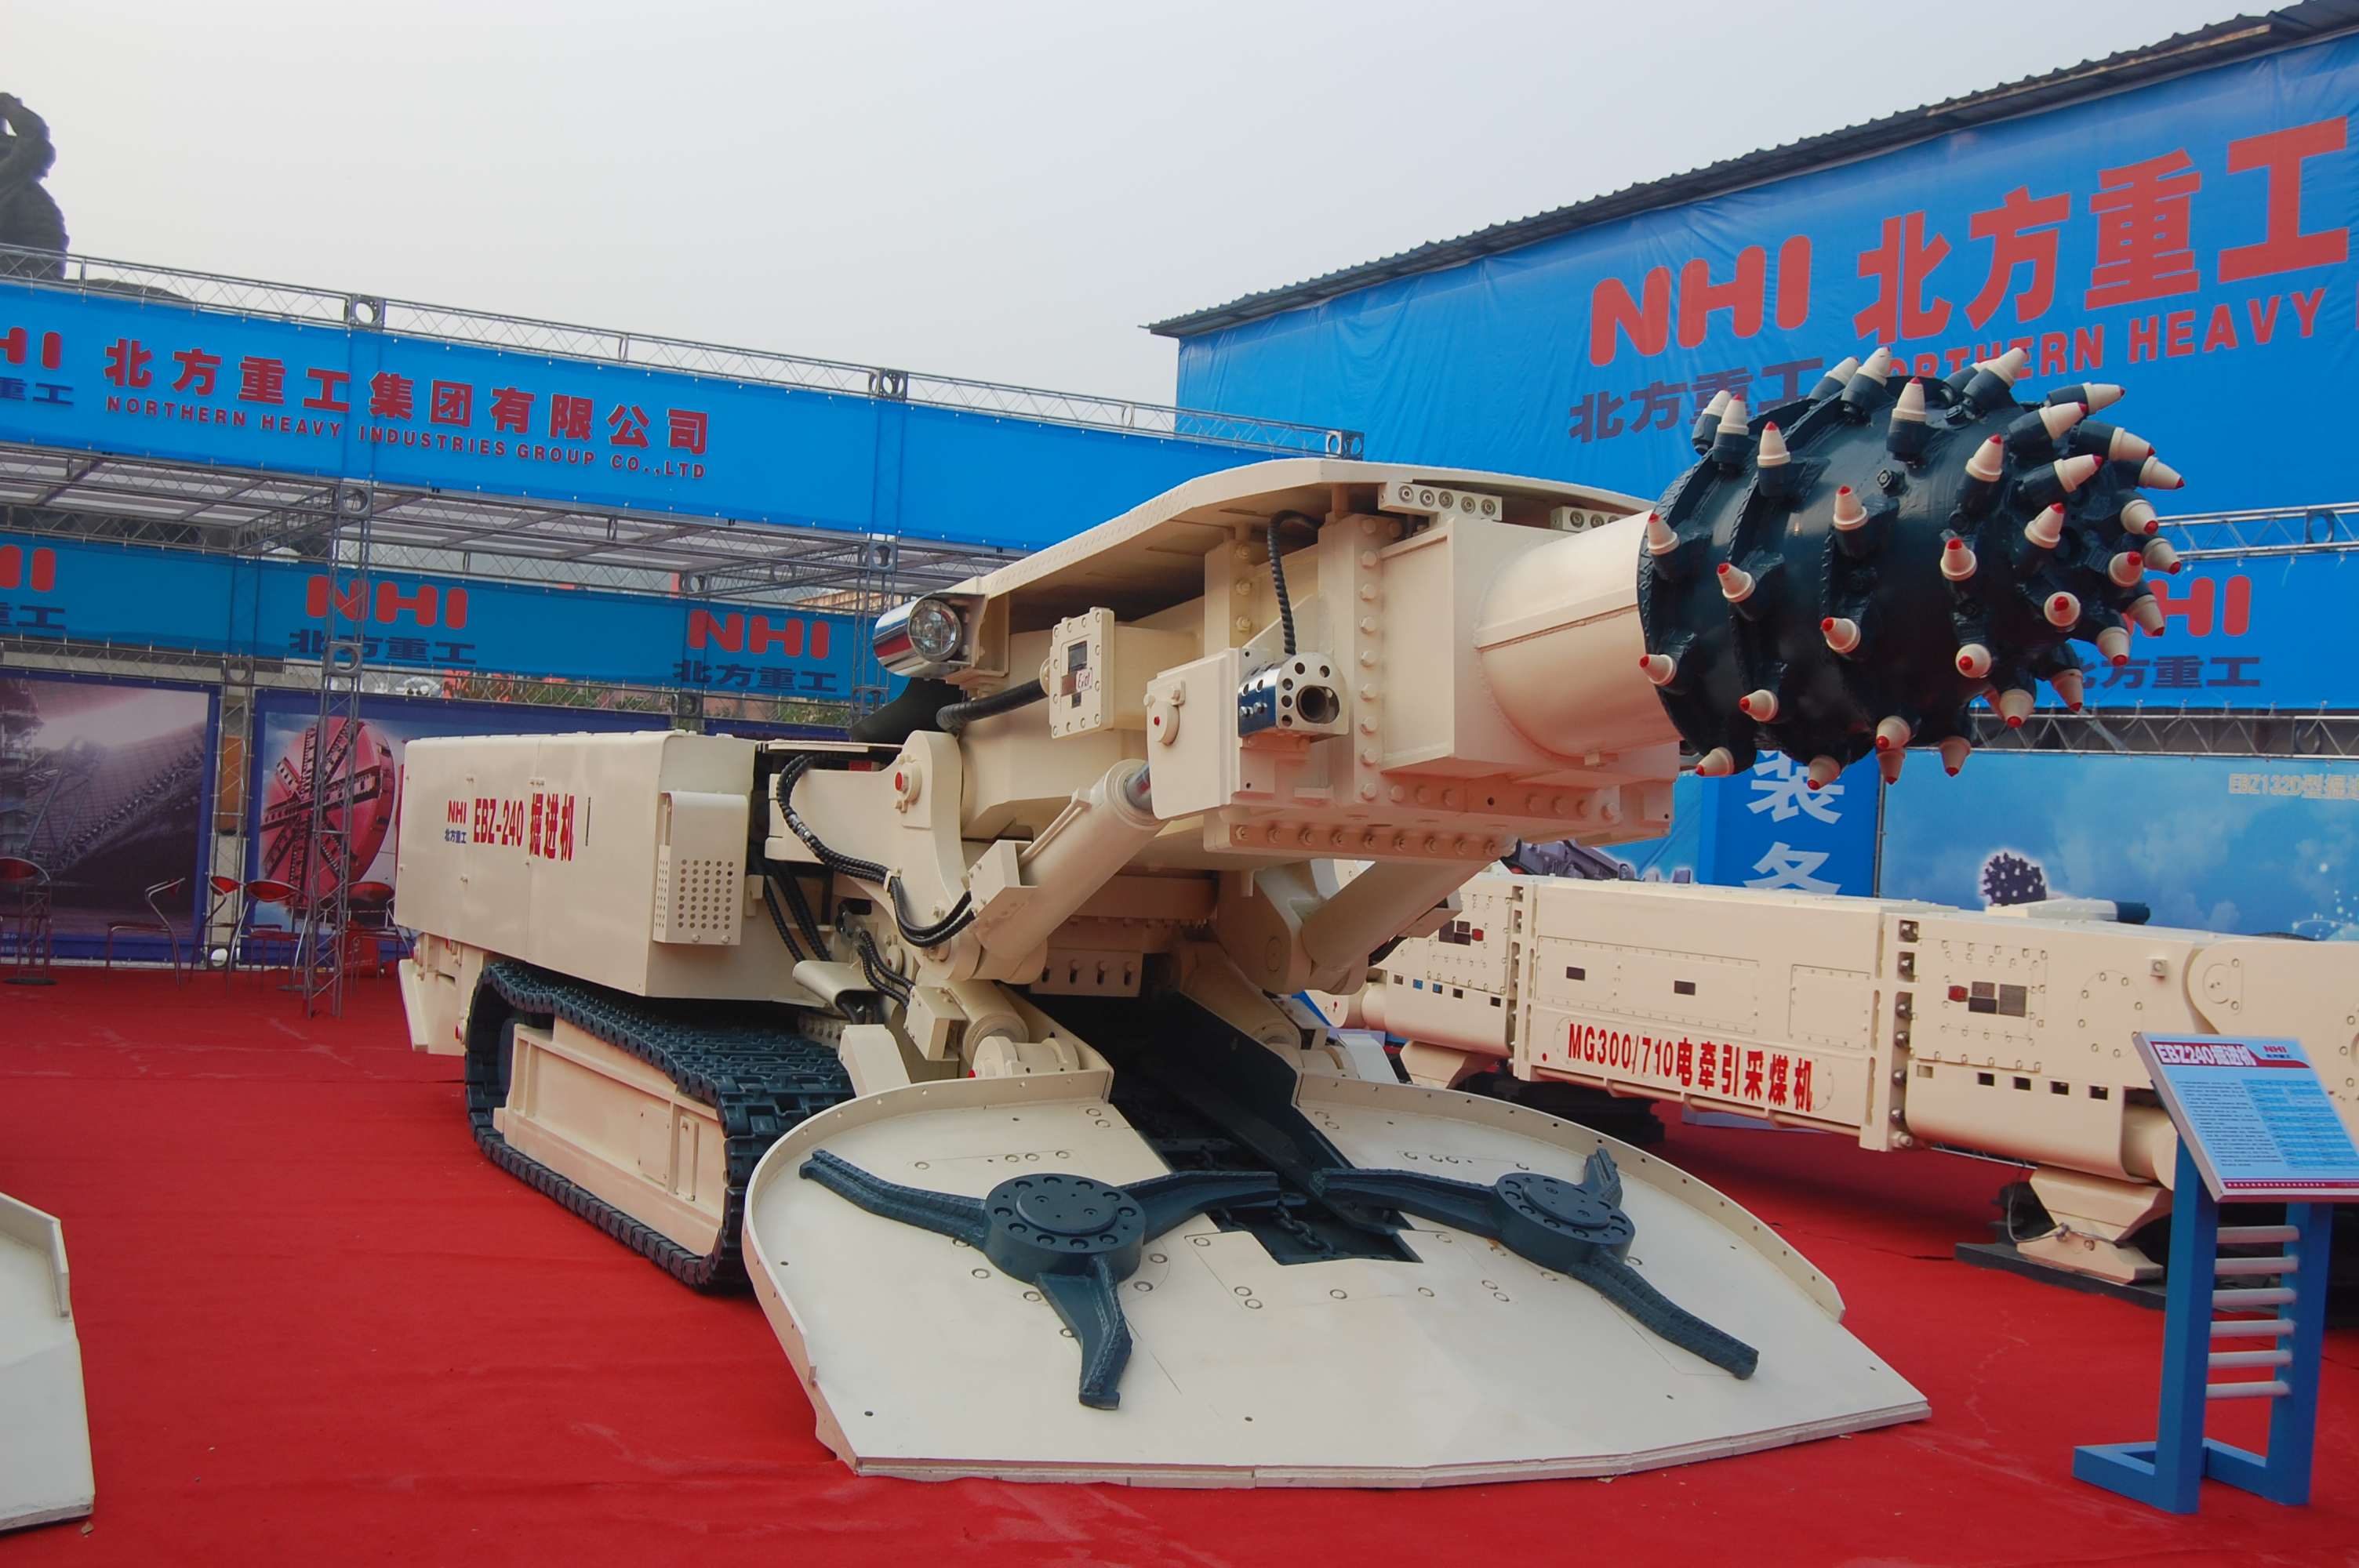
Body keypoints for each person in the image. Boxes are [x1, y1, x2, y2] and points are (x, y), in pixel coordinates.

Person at [0, 93, 67, 278]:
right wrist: (12, 109)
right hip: (25, 266)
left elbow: (35, 145)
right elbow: (34, 140)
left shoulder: (11, 167)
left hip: (31, 265)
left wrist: (11, 110)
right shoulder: (11, 169)